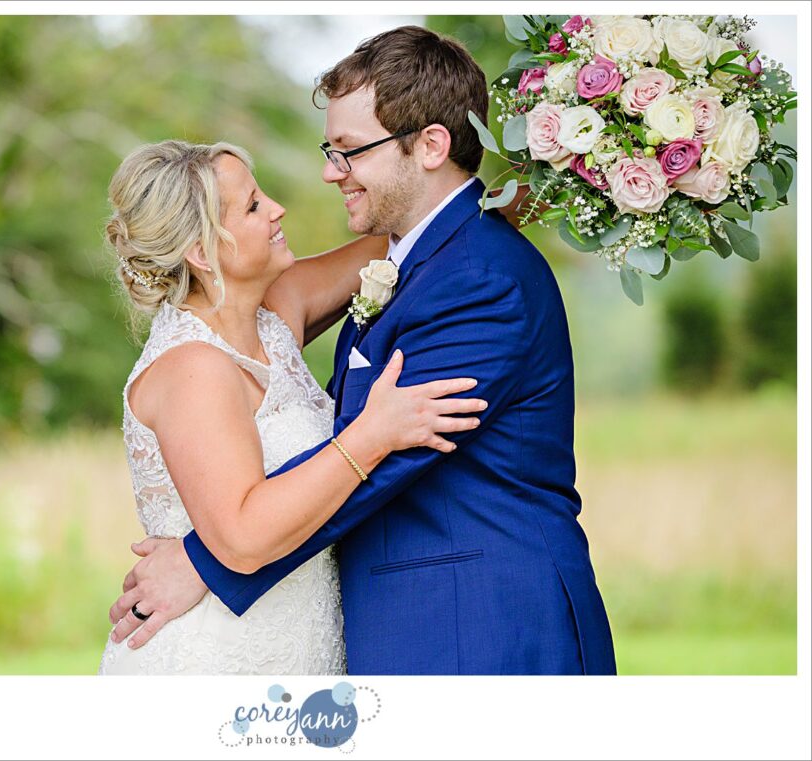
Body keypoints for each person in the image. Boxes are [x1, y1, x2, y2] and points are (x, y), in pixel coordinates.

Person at [107, 25, 617, 675]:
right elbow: (416, 229)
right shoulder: (201, 360)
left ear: (430, 145)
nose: (320, 178)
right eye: (254, 206)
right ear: (203, 252)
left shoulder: (475, 279)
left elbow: (393, 456)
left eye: (349, 151)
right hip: (235, 646)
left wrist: (203, 561)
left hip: (480, 626)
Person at [97, 139, 488, 675]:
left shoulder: (278, 307)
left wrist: (563, 164)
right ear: (202, 251)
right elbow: (241, 536)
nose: (277, 209)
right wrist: (371, 435)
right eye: (254, 206)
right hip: (219, 657)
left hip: (303, 641)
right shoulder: (192, 369)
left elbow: (421, 227)